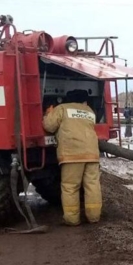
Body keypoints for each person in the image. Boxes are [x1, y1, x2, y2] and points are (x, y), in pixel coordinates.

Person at [43, 89, 102, 226]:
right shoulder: (89, 111)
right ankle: (94, 217)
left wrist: (48, 114)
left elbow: (49, 126)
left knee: (70, 187)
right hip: (92, 154)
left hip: (72, 155)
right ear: (84, 100)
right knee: (92, 185)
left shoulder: (62, 108)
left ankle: (72, 219)